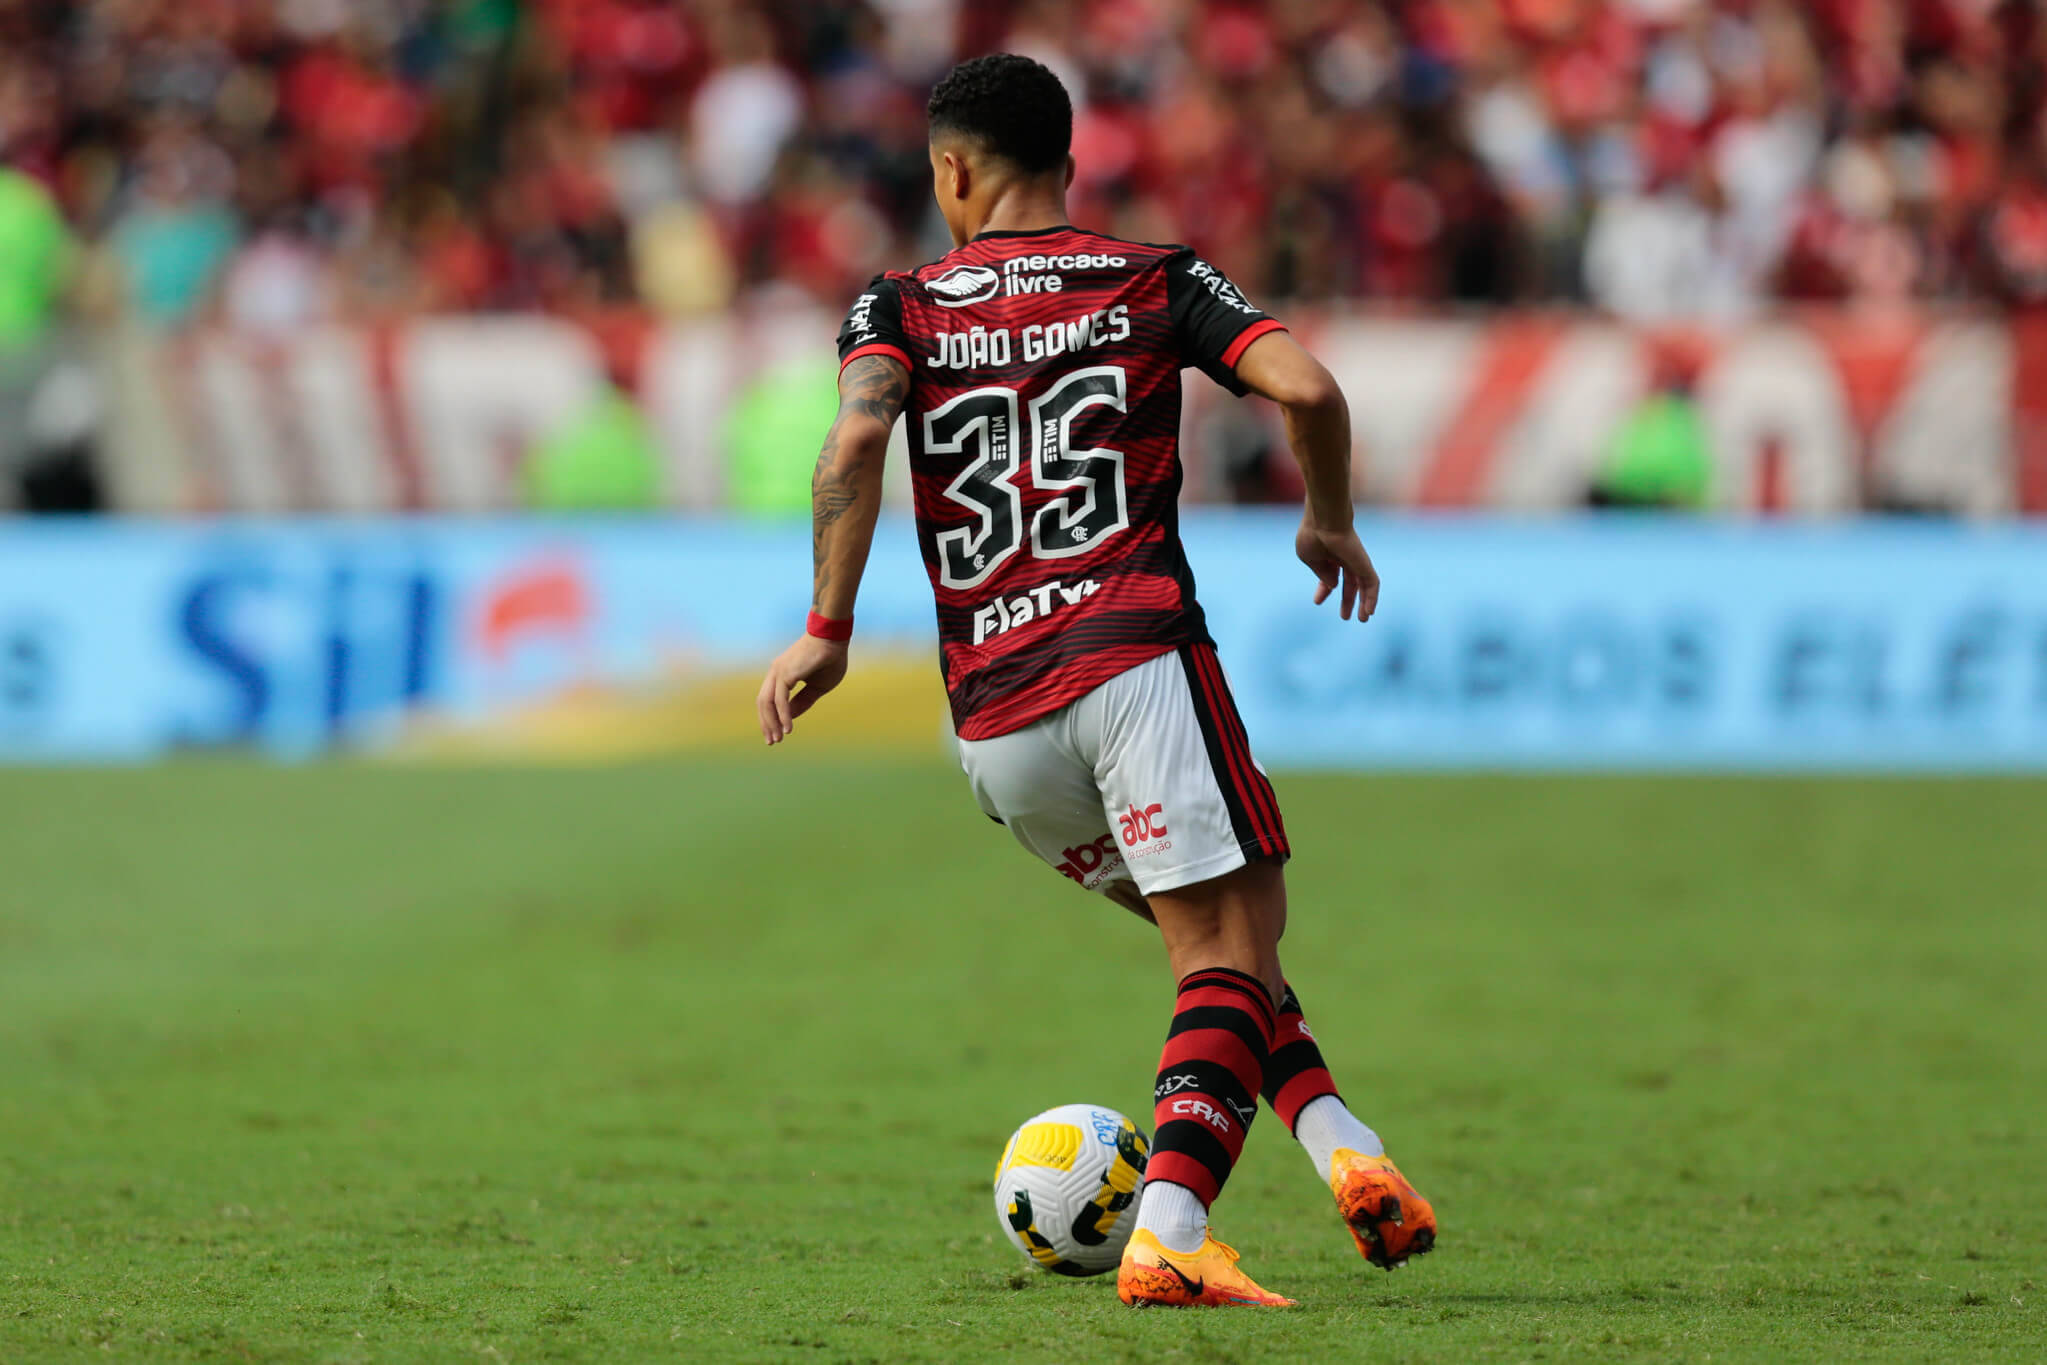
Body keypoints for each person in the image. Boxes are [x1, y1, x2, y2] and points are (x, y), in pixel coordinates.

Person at [754, 53, 1435, 1308]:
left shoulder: (894, 302)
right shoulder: (1154, 279)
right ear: (1069, 165)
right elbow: (1310, 389)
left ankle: (1351, 1154)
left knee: (1216, 961)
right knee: (1231, 946)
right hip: (1132, 660)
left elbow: (856, 436)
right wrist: (1328, 518)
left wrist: (825, 629)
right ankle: (1170, 1227)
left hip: (995, 729)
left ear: (952, 169)